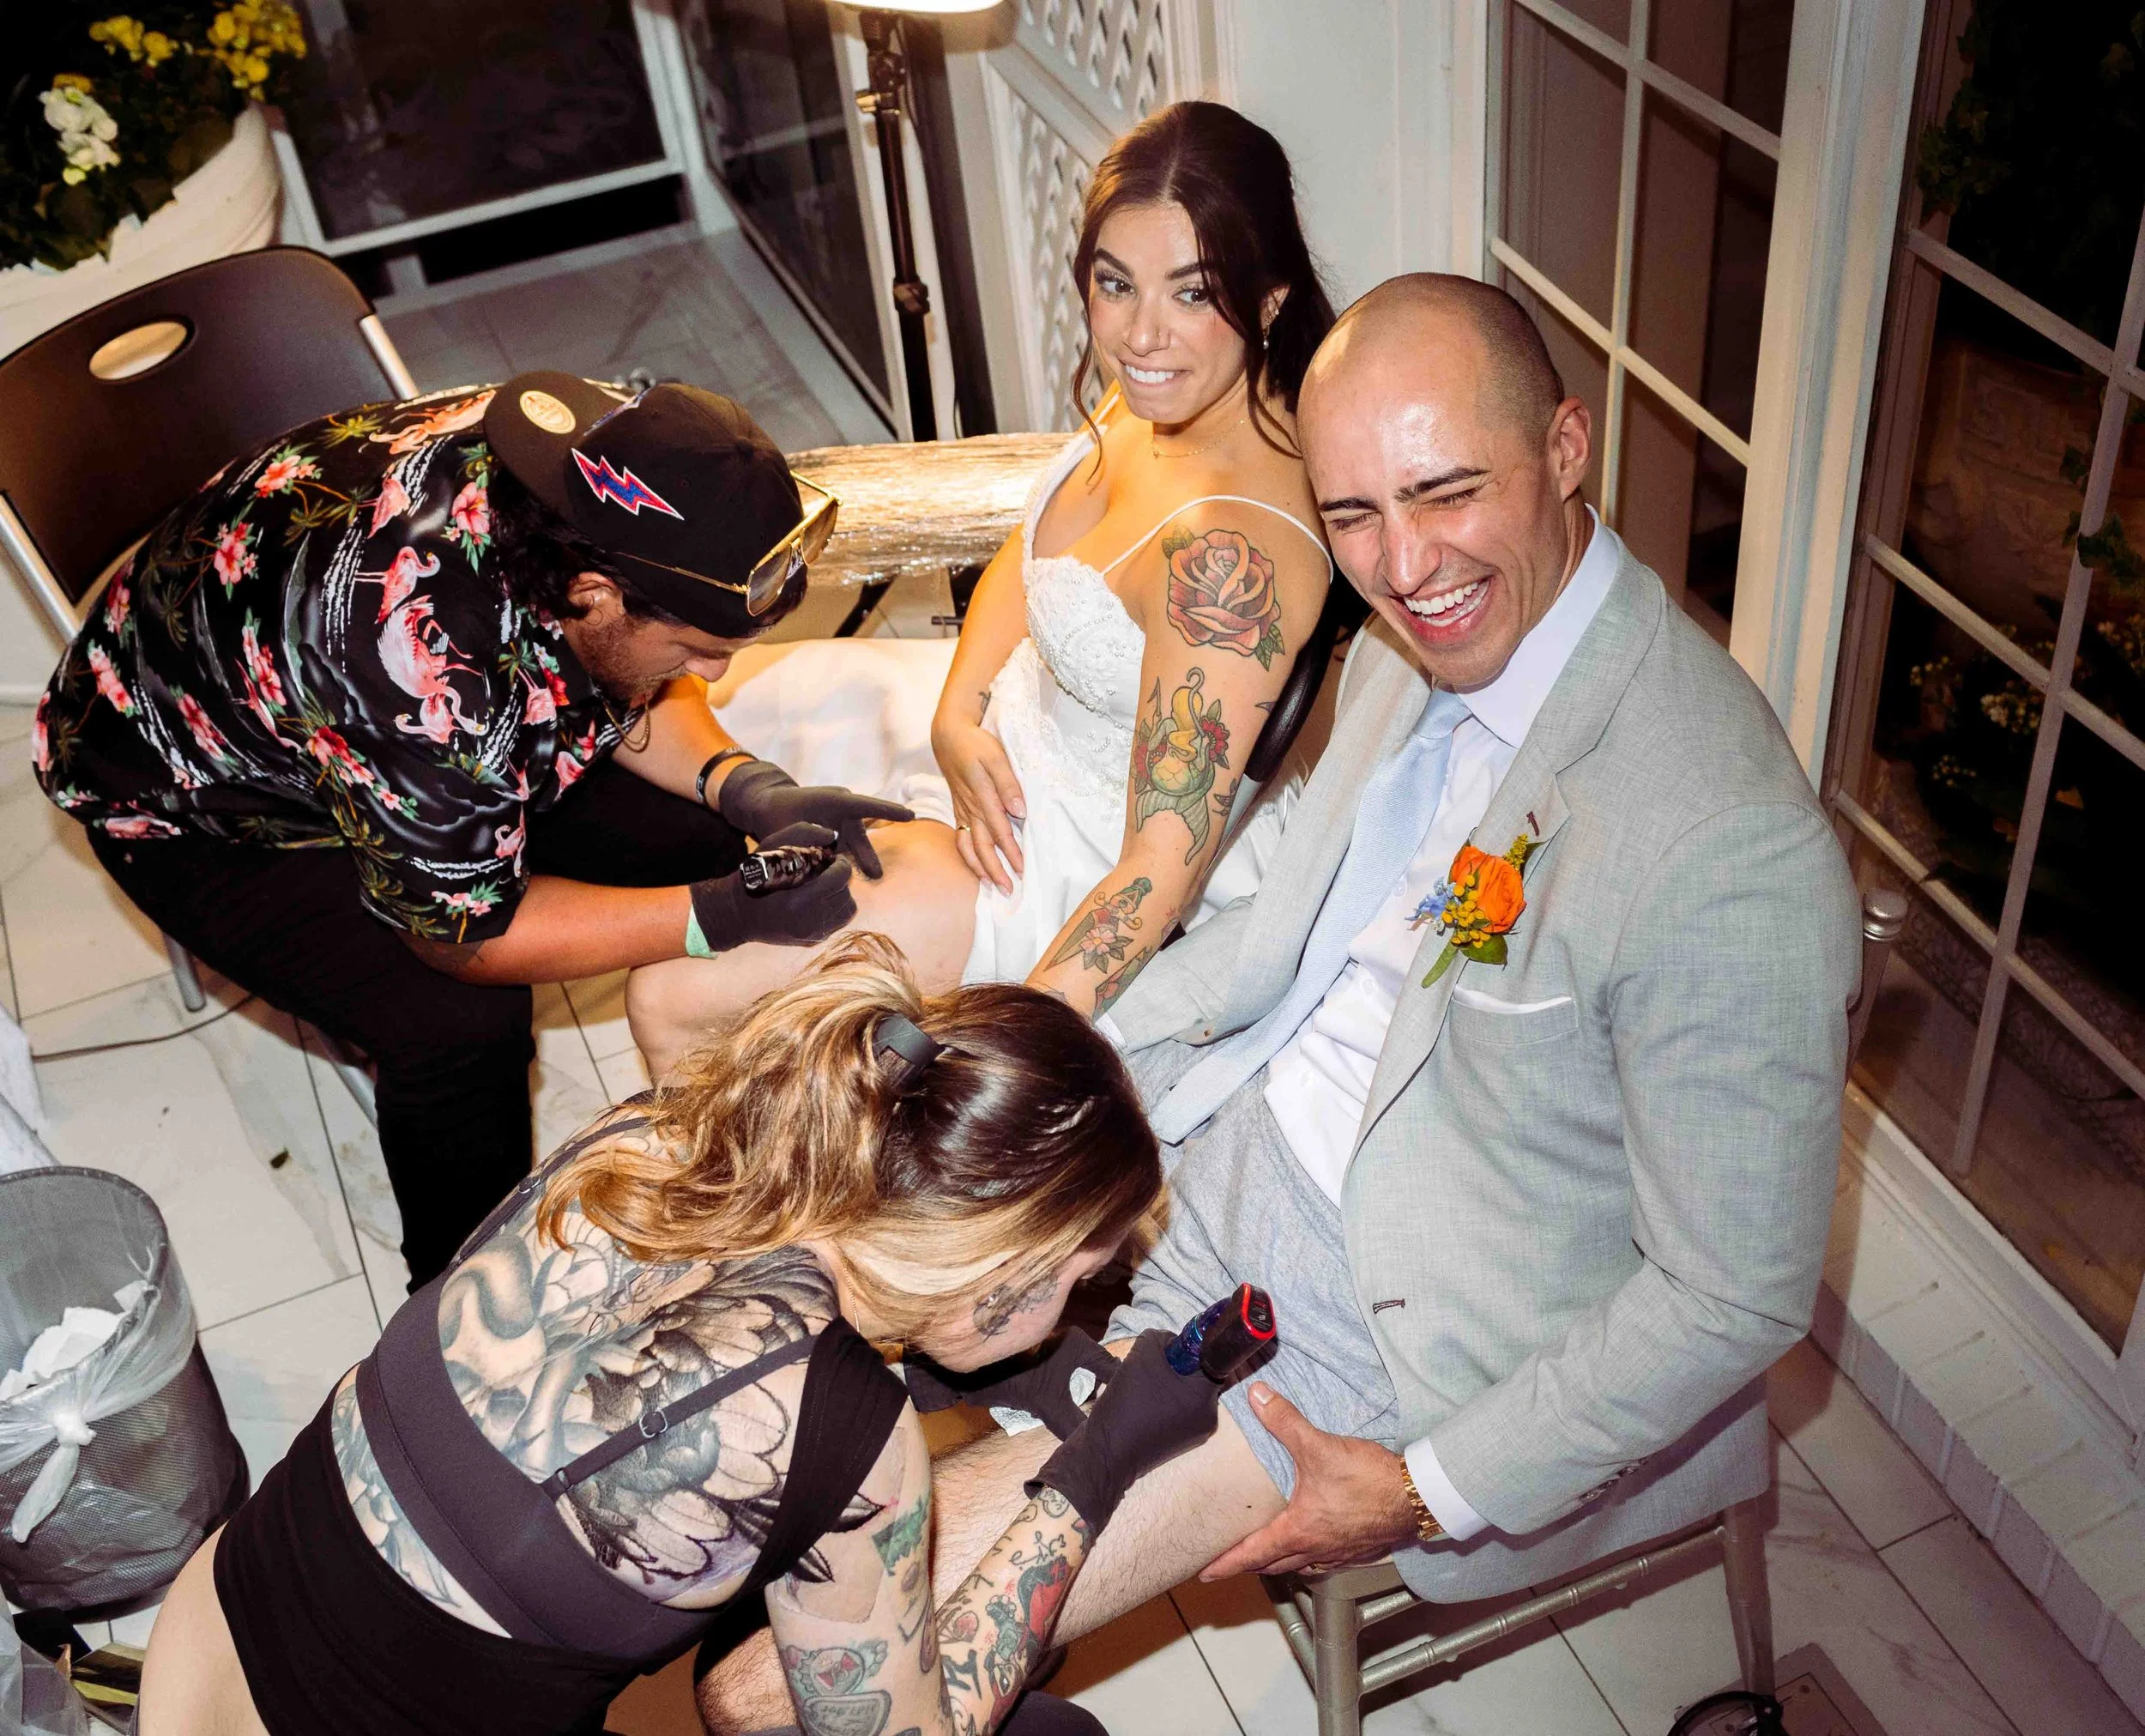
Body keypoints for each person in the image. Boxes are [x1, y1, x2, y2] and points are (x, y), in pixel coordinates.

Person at [694, 275, 1863, 1729]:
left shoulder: (1721, 839)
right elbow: (1256, 960)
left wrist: (1426, 1485)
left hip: (1369, 1327)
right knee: (763, 1351)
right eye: (1355, 512)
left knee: (773, 1692)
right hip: (1206, 1145)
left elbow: (1736, 1291)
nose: (1403, 561)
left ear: (1568, 448)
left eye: (1446, 492)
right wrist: (1046, 1043)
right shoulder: (1402, 642)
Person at [138, 935, 1241, 1736]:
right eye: (1078, 1283)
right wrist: (1094, 1470)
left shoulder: (649, 1141)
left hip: (205, 1643)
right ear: (992, 1275)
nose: (1076, 1309)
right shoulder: (855, 1448)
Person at [32, 372, 908, 1285]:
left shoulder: (615, 459)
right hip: (200, 805)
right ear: (595, 592)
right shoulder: (414, 662)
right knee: (459, 1021)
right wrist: (718, 916)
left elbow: (627, 688)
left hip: (365, 711)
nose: (711, 674)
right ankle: (454, 1296)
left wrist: (739, 783)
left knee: (698, 838)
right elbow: (463, 939)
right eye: (696, 649)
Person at [625, 100, 1338, 1074]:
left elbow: (1154, 874)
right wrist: (957, 717)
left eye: (1191, 293)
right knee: (710, 754)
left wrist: (1015, 1045)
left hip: (1048, 865)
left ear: (1266, 301)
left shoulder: (1229, 558)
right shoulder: (1163, 392)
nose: (1139, 334)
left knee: (668, 996)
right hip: (1001, 742)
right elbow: (1030, 557)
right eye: (1114, 283)